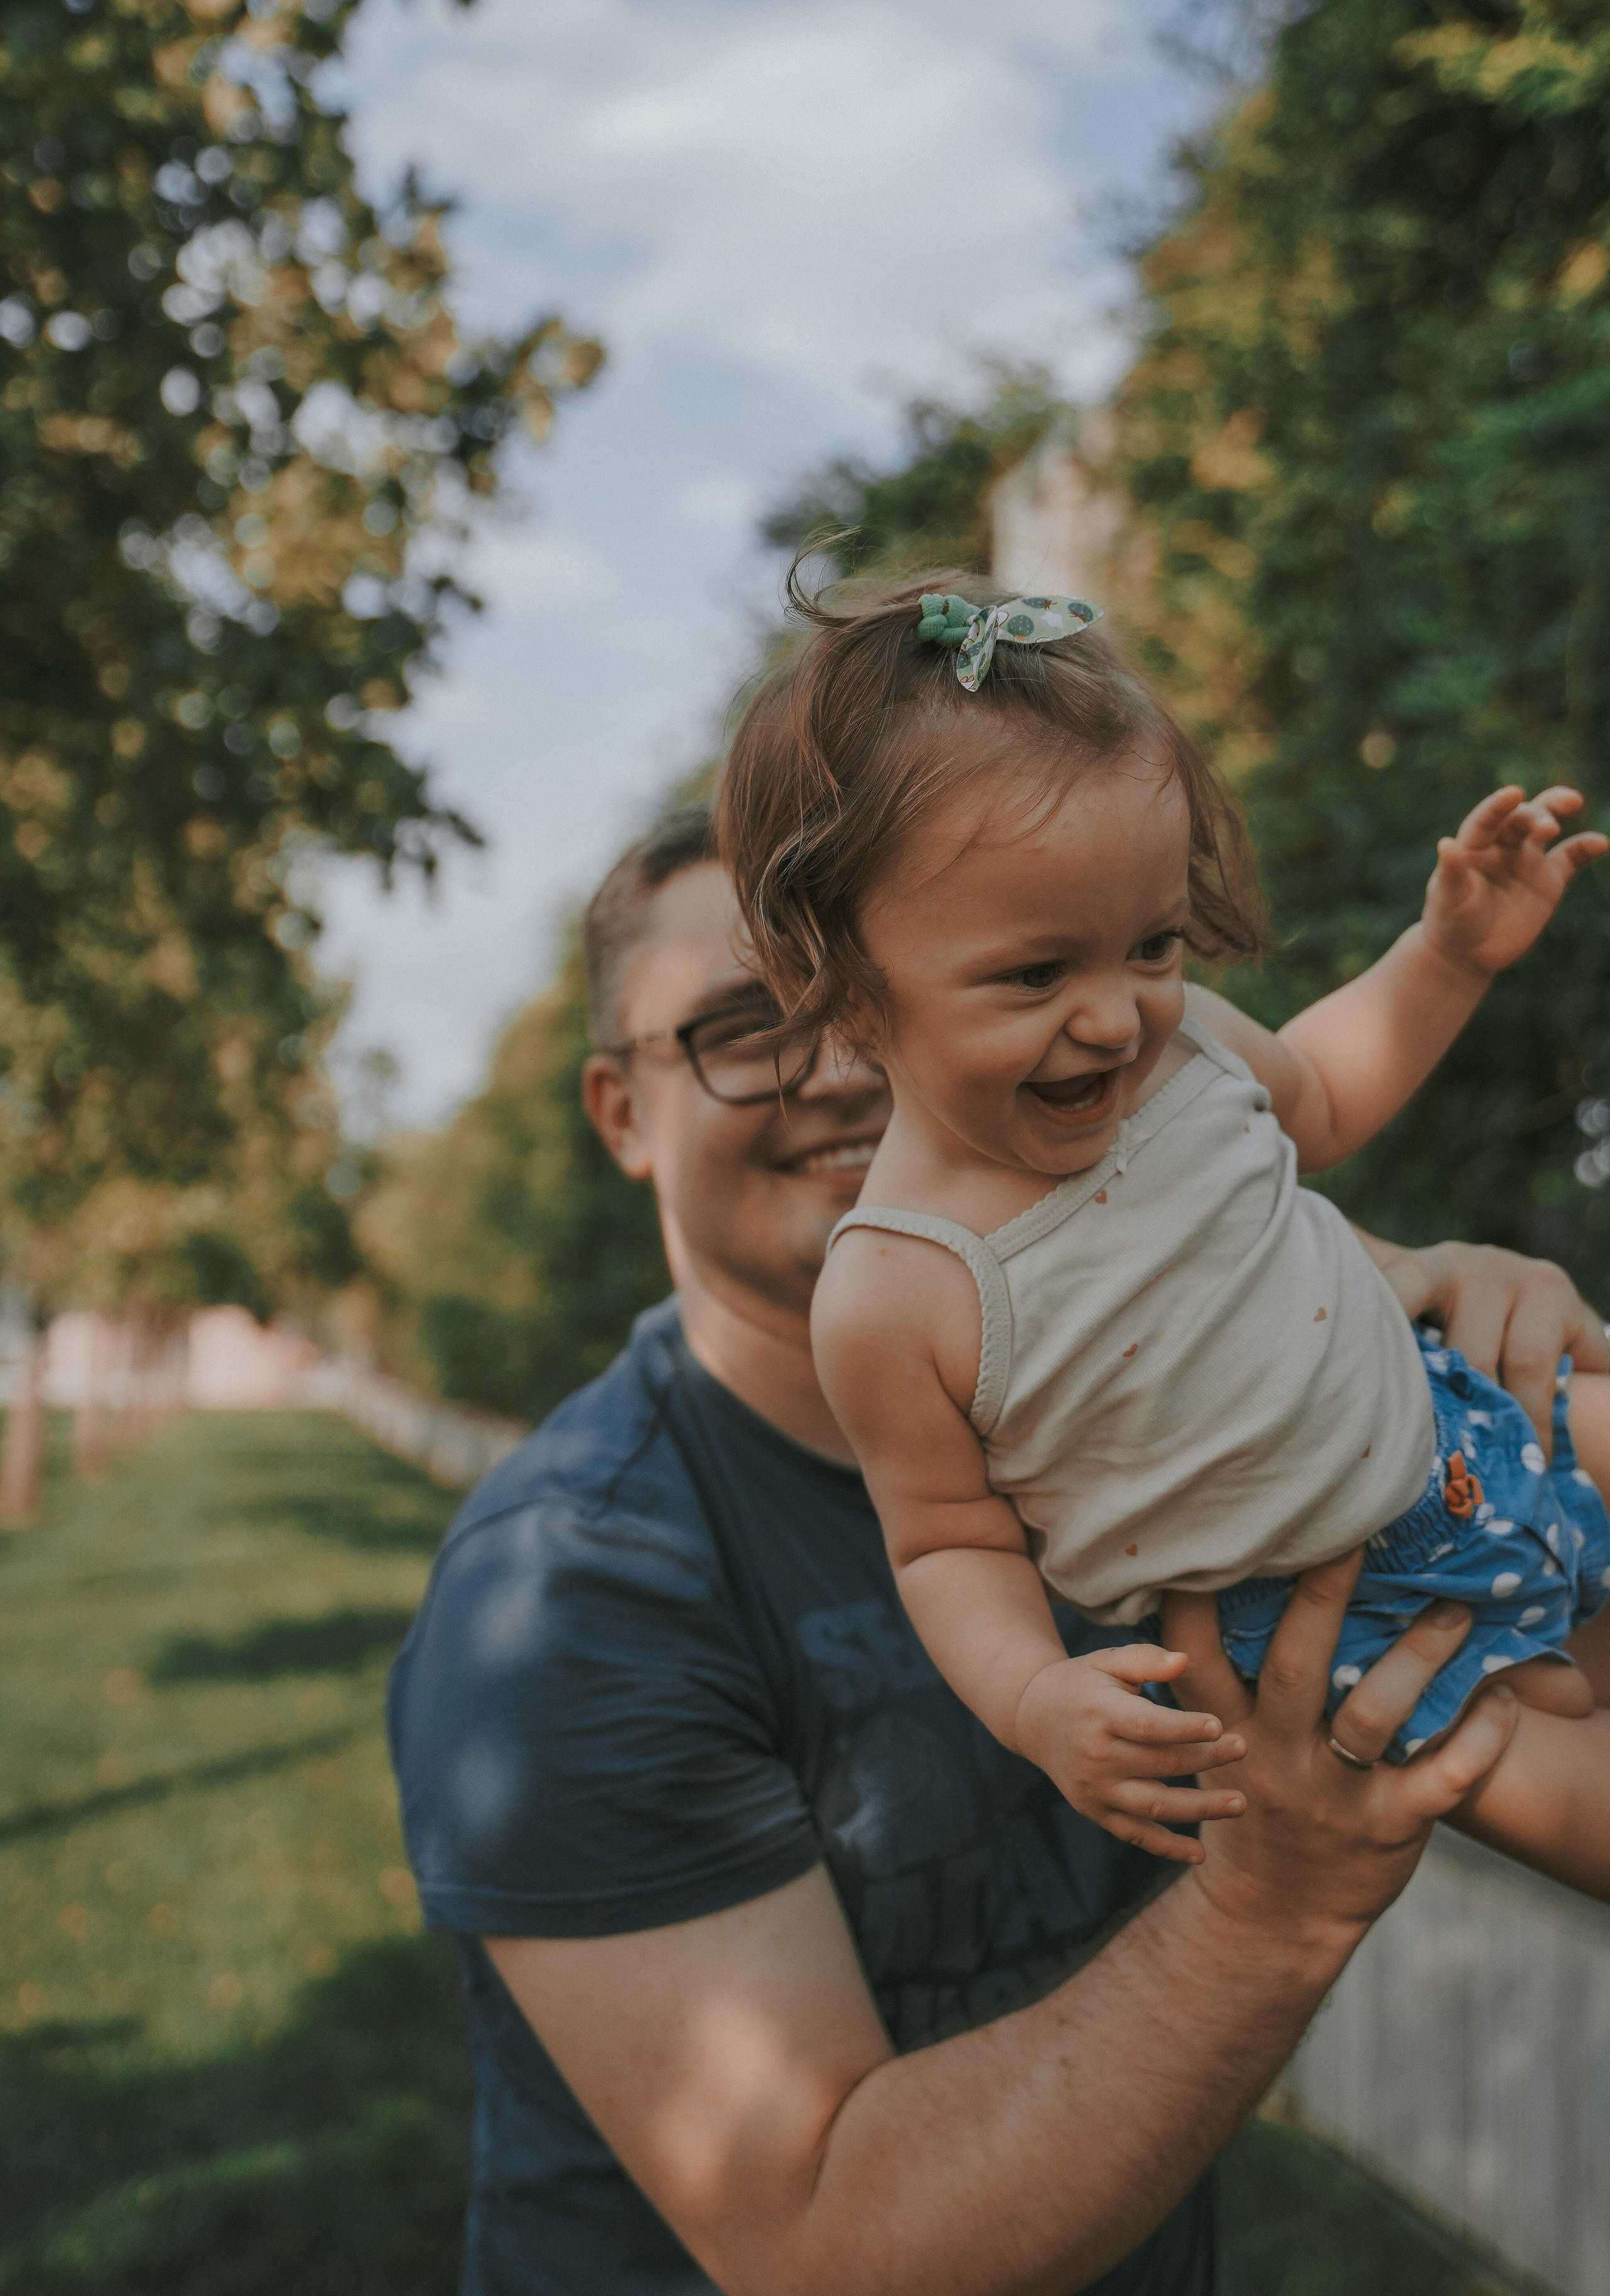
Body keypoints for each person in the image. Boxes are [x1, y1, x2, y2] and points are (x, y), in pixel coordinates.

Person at [388, 796, 1610, 2296]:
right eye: (744, 1028)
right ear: (622, 1112)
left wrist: (1452, 1335)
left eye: (855, 992)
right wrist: (1276, 1905)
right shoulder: (570, 1594)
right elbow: (819, 2247)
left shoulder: (1139, 1369)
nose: (838, 1065)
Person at [716, 574, 1610, 1904]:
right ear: (839, 984)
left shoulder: (1186, 1052)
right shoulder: (897, 1290)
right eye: (1035, 974)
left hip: (1468, 1420)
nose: (1114, 1017)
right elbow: (949, 1546)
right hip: (1332, 1635)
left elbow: (1324, 1090)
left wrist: (1448, 957)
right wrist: (1035, 1699)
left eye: (1152, 945)